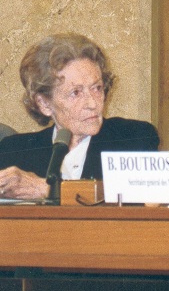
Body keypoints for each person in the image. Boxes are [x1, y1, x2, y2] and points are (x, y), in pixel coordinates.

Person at [0, 33, 160, 199]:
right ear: (44, 104)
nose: (92, 103)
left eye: (97, 88)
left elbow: (140, 202)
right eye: (76, 93)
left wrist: (50, 191)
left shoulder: (133, 138)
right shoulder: (15, 152)